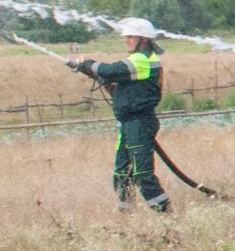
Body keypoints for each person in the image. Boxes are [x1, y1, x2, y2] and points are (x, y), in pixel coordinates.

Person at [68, 19, 171, 213]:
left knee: (142, 175)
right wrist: (84, 69)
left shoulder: (141, 60)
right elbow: (113, 78)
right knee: (122, 173)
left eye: (130, 36)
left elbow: (110, 70)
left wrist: (86, 62)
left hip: (140, 124)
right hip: (130, 124)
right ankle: (126, 216)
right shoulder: (140, 60)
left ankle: (167, 215)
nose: (127, 40)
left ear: (143, 39)